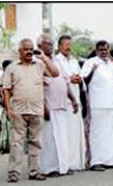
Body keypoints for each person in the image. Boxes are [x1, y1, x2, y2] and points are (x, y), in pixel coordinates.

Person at [3, 38, 59, 182]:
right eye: (26, 49)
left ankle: (34, 171)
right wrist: (8, 109)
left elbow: (55, 73)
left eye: (31, 49)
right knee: (17, 142)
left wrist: (44, 57)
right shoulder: (12, 67)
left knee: (36, 141)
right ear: (19, 51)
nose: (29, 52)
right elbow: (6, 90)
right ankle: (14, 173)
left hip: (36, 109)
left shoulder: (40, 65)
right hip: (18, 110)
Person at [80, 40, 113, 170]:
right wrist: (92, 71)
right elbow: (84, 80)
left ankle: (112, 159)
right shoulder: (91, 62)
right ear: (97, 51)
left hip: (110, 104)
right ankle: (96, 162)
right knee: (97, 134)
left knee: (111, 133)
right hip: (97, 104)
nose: (104, 52)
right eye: (101, 50)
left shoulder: (111, 64)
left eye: (106, 50)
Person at [39, 34, 79, 175]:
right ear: (40, 46)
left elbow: (64, 81)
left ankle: (62, 166)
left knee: (62, 138)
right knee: (50, 139)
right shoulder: (37, 61)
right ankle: (49, 169)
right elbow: (38, 86)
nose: (50, 46)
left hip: (61, 105)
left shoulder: (57, 61)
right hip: (49, 106)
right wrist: (44, 106)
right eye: (47, 43)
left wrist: (73, 99)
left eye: (51, 43)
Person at [54, 35, 87, 171]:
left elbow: (81, 78)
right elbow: (56, 79)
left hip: (76, 99)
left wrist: (79, 79)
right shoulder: (56, 61)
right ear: (60, 46)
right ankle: (66, 163)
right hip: (63, 102)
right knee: (65, 134)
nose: (68, 47)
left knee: (75, 133)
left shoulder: (74, 60)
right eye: (65, 45)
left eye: (70, 44)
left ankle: (76, 163)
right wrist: (69, 79)